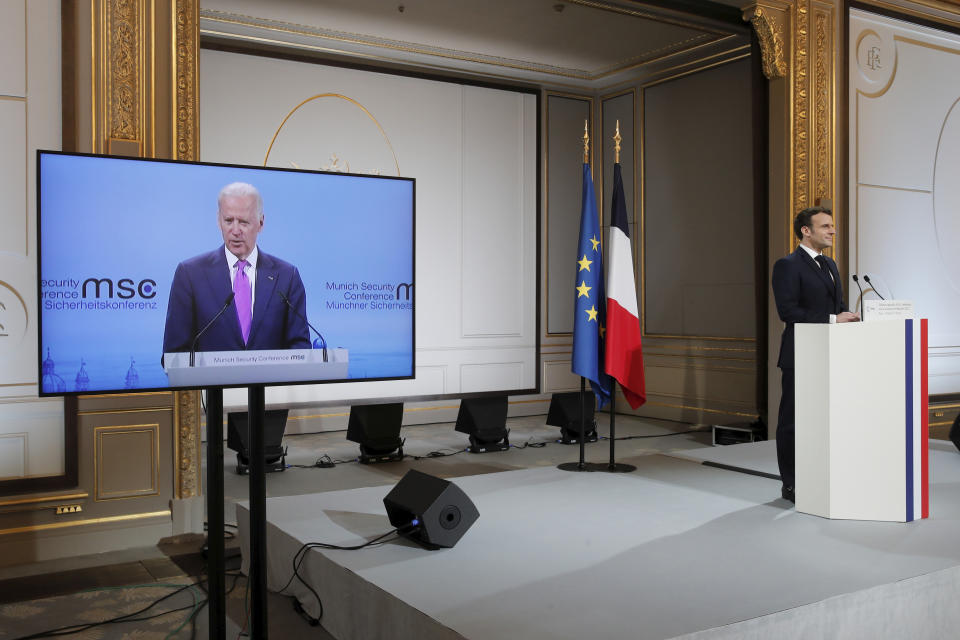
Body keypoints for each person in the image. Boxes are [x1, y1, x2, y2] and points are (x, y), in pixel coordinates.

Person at [771, 206, 860, 504]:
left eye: (832, 226)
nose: (832, 231)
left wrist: (846, 317)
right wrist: (834, 319)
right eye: (825, 226)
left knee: (826, 419)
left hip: (831, 354)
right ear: (806, 231)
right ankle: (792, 484)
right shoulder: (787, 265)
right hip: (801, 354)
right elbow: (788, 311)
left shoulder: (831, 265)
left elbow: (839, 306)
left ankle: (822, 475)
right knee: (793, 421)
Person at [162, 182, 311, 357]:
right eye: (228, 221)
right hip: (213, 383)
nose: (235, 230)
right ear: (219, 221)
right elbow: (174, 354)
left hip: (271, 384)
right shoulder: (190, 274)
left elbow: (300, 348)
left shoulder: (287, 276)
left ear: (261, 222)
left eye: (243, 222)